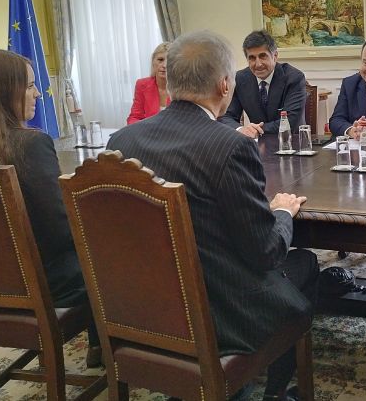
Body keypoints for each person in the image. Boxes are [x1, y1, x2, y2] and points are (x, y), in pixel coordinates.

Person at [108, 30, 317, 401]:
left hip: (142, 303)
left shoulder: (122, 141)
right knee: (305, 263)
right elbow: (266, 253)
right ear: (224, 84)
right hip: (217, 310)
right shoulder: (230, 147)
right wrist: (283, 212)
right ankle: (273, 391)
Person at [0, 48, 101, 365]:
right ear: (3, 92)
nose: (38, 93)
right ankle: (106, 352)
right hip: (41, 289)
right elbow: (59, 232)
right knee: (108, 256)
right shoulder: (30, 144)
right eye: (29, 85)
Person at [219, 30, 306, 138]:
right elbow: (226, 116)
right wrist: (241, 129)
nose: (258, 64)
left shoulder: (294, 78)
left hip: (290, 141)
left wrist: (255, 130)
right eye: (252, 58)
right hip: (256, 144)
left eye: (262, 56)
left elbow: (290, 121)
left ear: (275, 56)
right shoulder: (239, 79)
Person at [127, 42, 171, 124]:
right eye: (160, 60)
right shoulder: (141, 84)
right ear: (153, 62)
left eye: (169, 61)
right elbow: (134, 117)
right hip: (147, 131)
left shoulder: (183, 88)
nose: (164, 65)